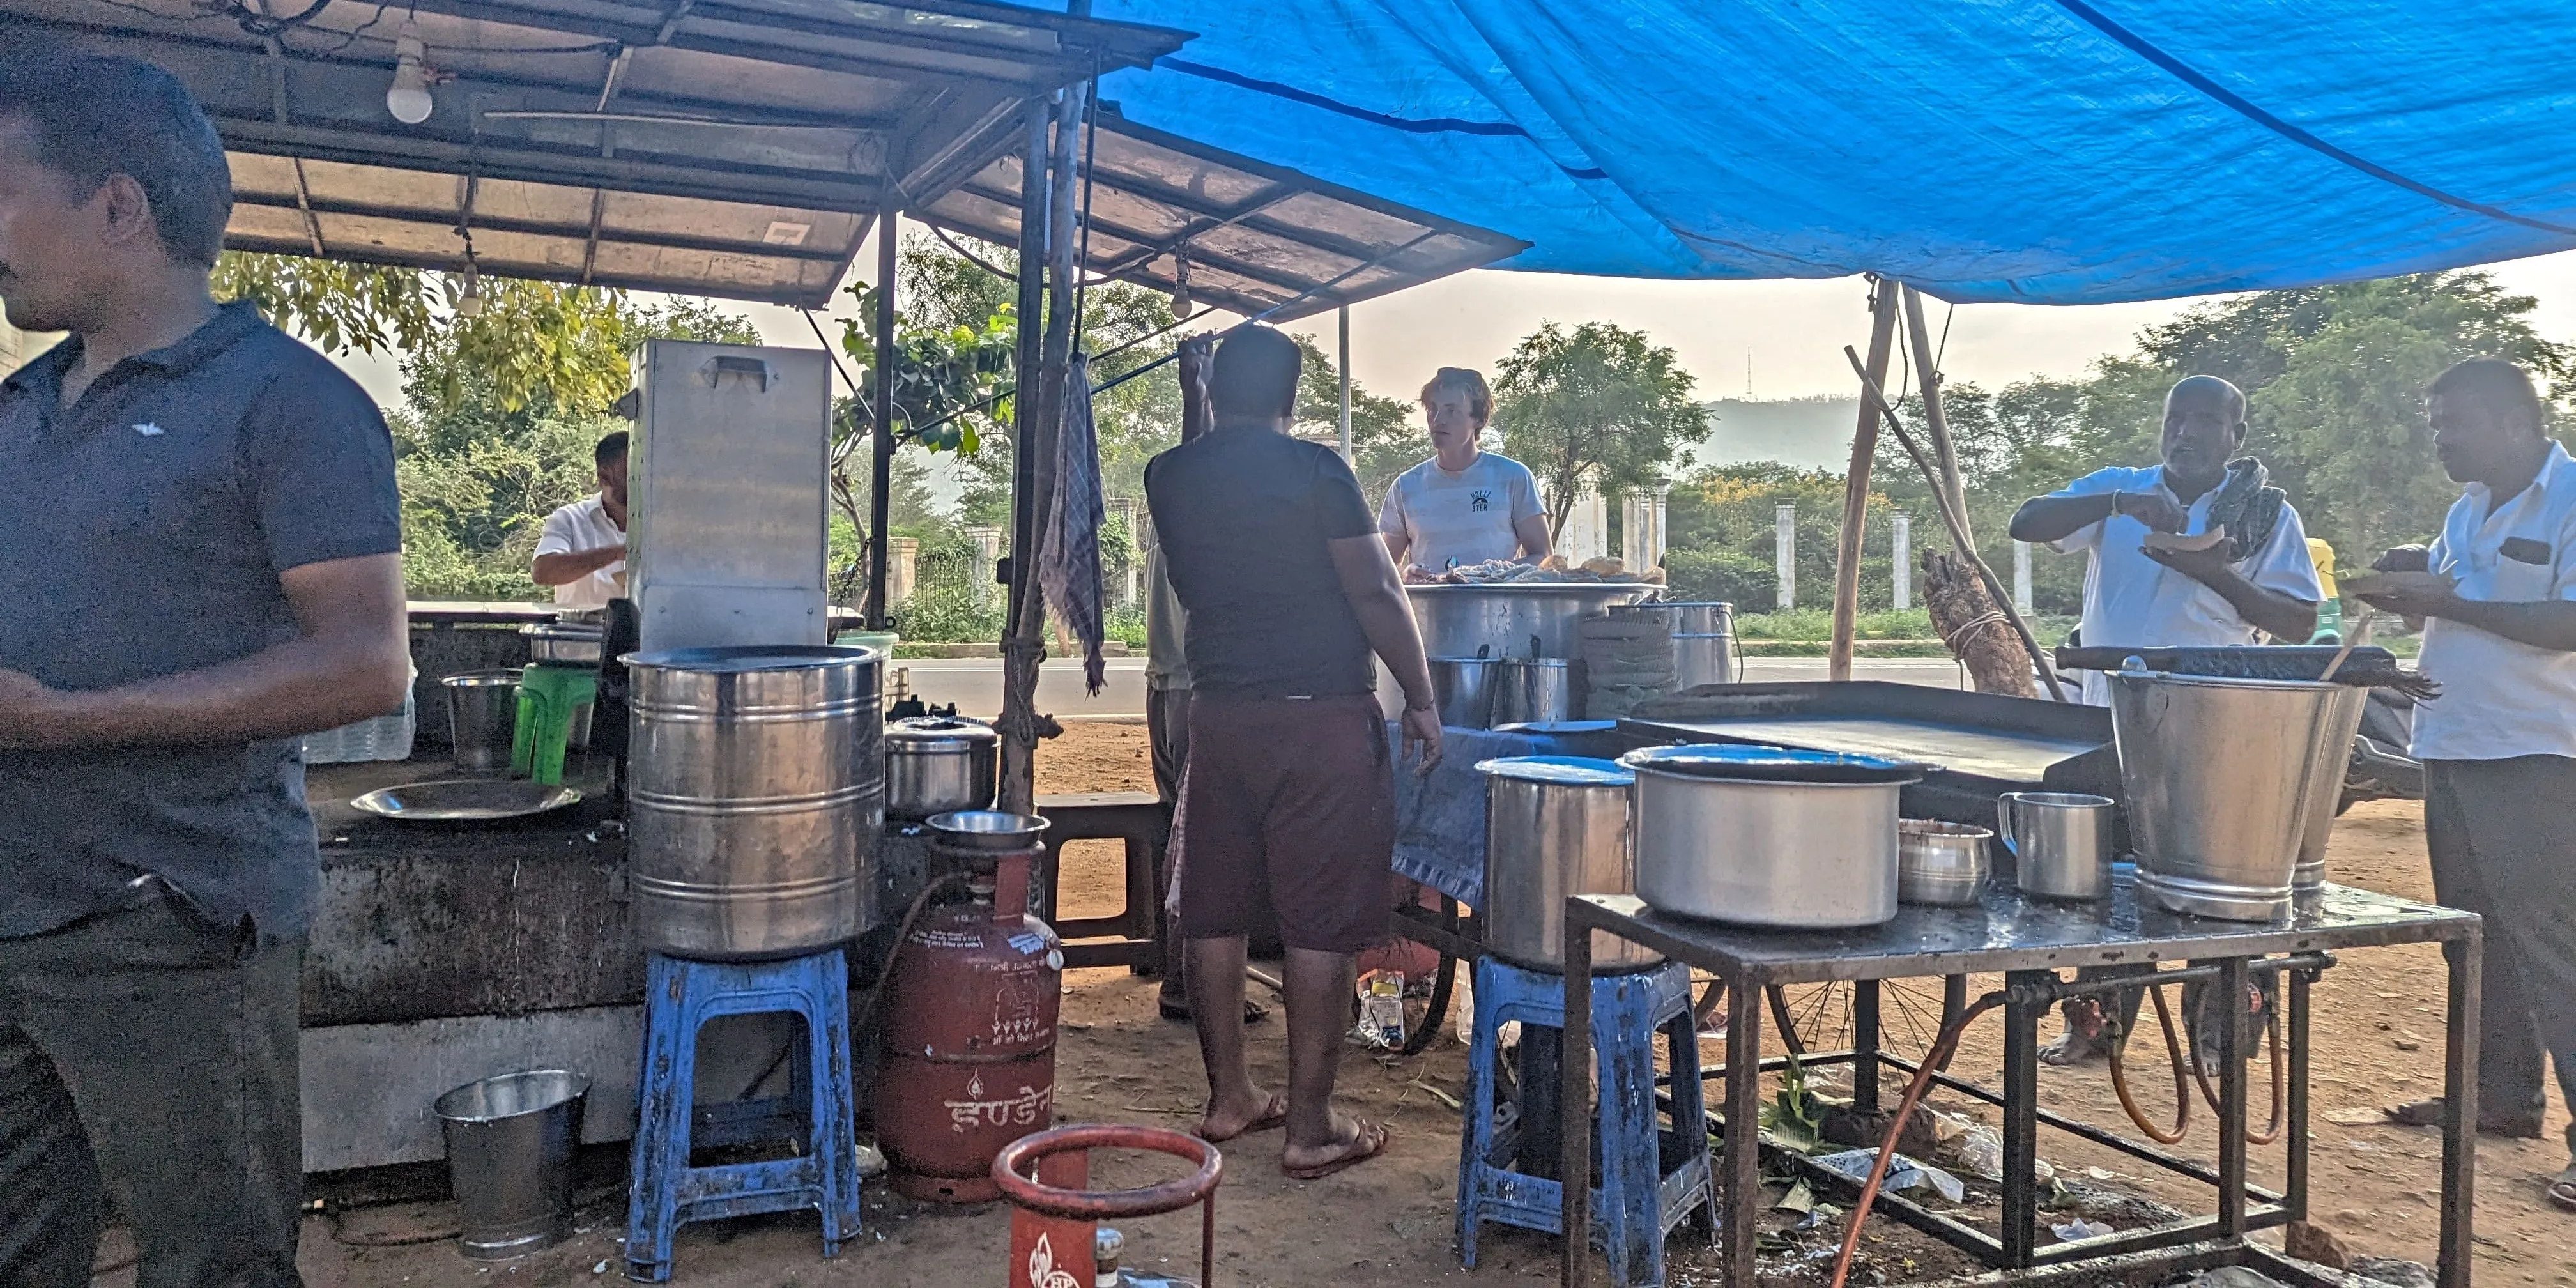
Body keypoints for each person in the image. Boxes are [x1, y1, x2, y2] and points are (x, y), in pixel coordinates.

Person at [0, 48, 408, 1284]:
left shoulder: (287, 404)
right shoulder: (20, 409)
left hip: (169, 926)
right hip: (13, 907)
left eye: (4, 194)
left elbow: (366, 665)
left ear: (118, 206)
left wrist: (62, 720)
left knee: (213, 1264)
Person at [1144, 325, 1441, 1179]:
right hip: (1319, 718)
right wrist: (1421, 697)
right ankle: (1311, 1128)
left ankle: (1228, 1097)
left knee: (1215, 906)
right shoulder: (1317, 472)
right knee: (1321, 917)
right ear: (1292, 395)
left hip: (1219, 714)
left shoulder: (1168, 475)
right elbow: (1376, 590)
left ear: (1212, 390)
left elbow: (1210, 477)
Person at [2009, 374, 2324, 1064]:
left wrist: (2214, 573)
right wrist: (2117, 505)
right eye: (2176, 418)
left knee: (2214, 885)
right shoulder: (2121, 491)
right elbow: (2025, 523)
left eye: (2206, 421)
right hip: (2110, 721)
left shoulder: (2266, 513)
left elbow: (2300, 622)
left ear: (2236, 436)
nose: (2185, 433)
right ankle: (2095, 1027)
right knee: (2105, 877)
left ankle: (2220, 1038)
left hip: (2217, 729)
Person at [2353, 358, 2576, 1213]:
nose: (2441, 439)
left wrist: (2445, 601)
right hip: (2455, 747)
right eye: (2434, 423)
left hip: (2538, 758)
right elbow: (2466, 603)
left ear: (2516, 423)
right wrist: (2417, 598)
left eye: (2455, 423)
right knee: (2478, 939)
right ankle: (2500, 1096)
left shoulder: (2569, 499)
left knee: (2555, 950)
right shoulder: (2467, 508)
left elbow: (2568, 620)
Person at [1377, 366, 1551, 577]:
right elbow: (1383, 568)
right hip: (1428, 600)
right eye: (1432, 409)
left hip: (1498, 600)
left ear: (1479, 419)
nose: (1438, 420)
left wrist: (1488, 576)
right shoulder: (1406, 486)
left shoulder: (1514, 477)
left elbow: (1543, 557)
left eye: (1451, 411)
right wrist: (1405, 573)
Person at [532, 430, 629, 608]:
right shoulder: (569, 519)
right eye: (630, 473)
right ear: (605, 477)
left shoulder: (665, 526)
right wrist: (617, 553)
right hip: (580, 627)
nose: (644, 481)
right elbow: (542, 571)